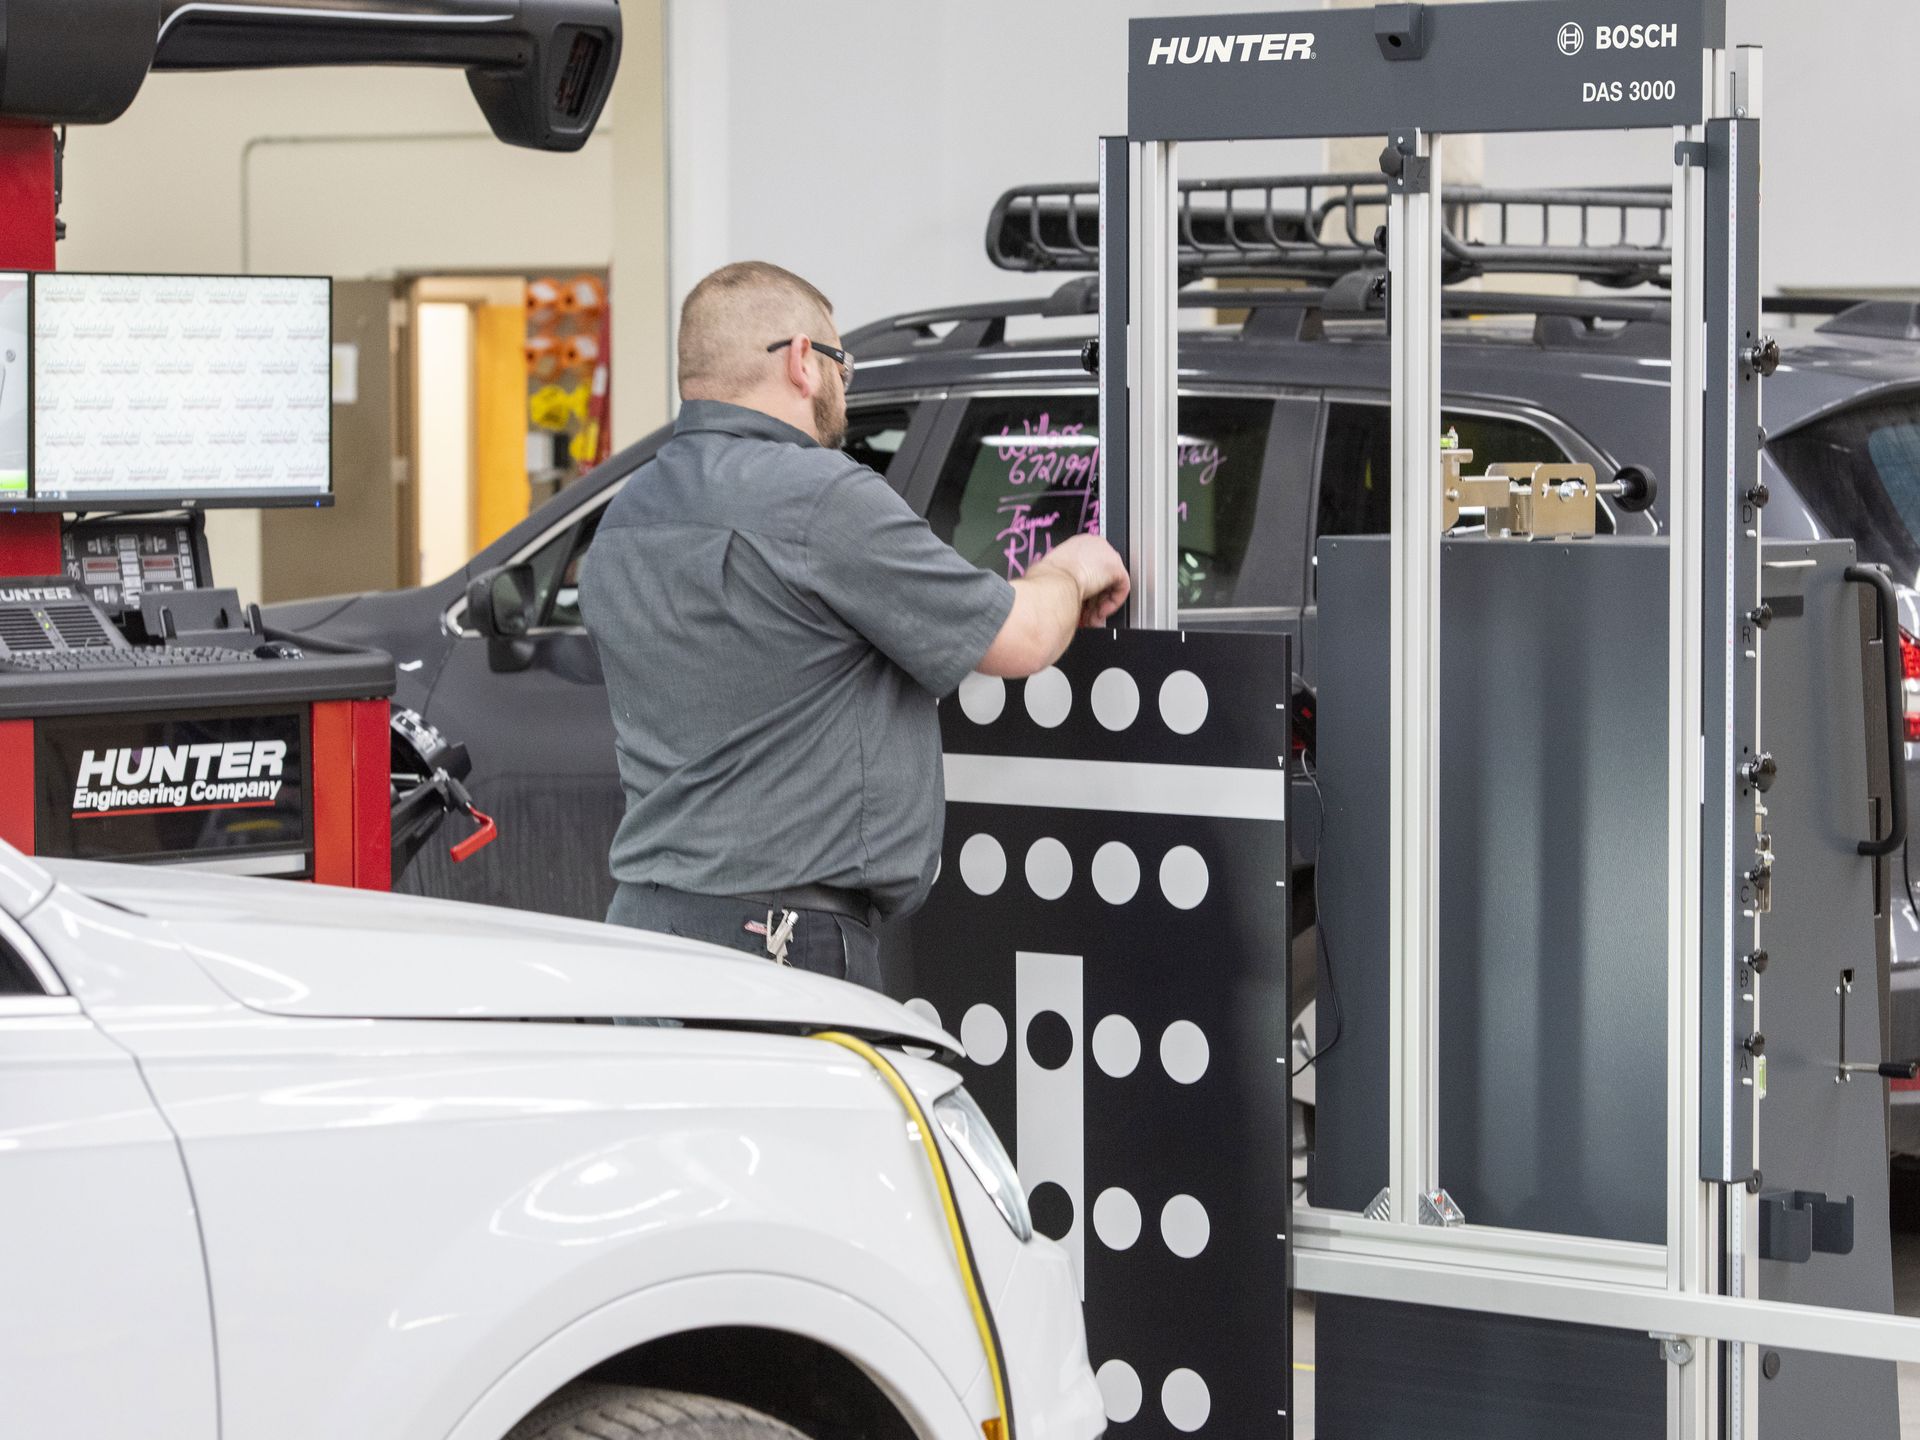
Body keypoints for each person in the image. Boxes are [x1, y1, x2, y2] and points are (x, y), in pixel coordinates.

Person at [582, 261, 1128, 988]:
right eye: (844, 361)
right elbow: (1021, 637)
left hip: (646, 933)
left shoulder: (627, 512)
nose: (848, 383)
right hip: (776, 948)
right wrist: (1075, 566)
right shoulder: (818, 497)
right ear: (804, 360)